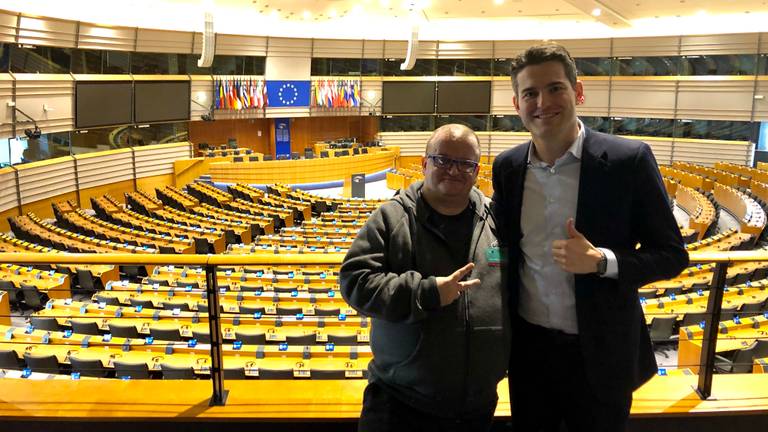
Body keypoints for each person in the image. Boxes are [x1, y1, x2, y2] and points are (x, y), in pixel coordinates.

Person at [491, 43, 689, 431]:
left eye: (555, 88)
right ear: (517, 104)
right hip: (529, 354)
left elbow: (671, 254)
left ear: (578, 92)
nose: (542, 102)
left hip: (601, 353)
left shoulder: (627, 161)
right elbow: (503, 246)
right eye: (530, 93)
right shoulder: (508, 167)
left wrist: (602, 262)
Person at [340, 124, 510, 432]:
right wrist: (426, 293)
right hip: (401, 406)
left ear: (477, 170)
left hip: (477, 407)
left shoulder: (497, 219)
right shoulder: (391, 218)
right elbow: (355, 283)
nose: (454, 170)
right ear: (423, 163)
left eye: (465, 164)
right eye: (442, 160)